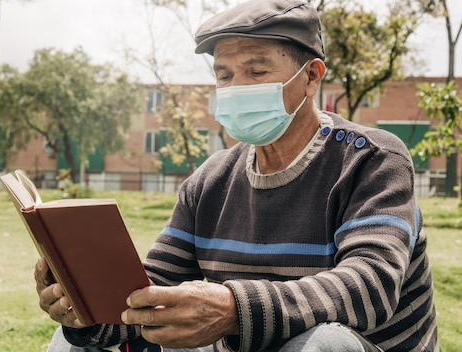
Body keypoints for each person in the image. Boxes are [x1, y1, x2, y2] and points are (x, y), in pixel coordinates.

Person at [35, 0, 440, 351]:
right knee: (74, 340)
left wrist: (234, 310)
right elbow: (152, 290)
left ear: (312, 76)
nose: (236, 87)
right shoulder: (212, 179)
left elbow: (370, 286)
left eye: (257, 72)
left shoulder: (371, 160)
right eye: (224, 75)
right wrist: (86, 305)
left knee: (323, 343)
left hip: (355, 346)